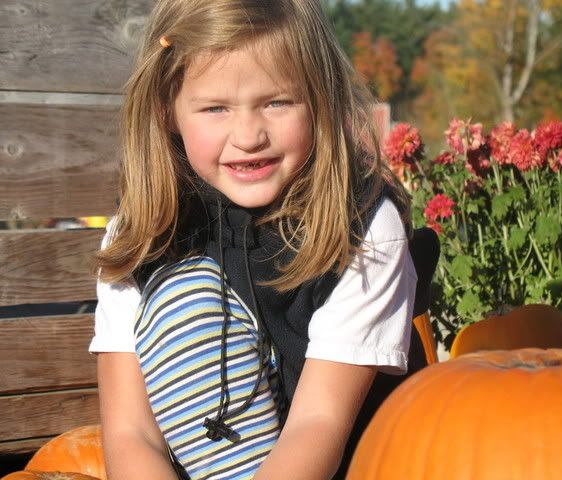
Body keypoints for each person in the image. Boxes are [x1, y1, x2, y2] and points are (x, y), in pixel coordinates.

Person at [89, 0, 419, 478]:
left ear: (320, 97)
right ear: (167, 109)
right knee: (183, 295)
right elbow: (131, 433)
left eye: (276, 102)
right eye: (215, 108)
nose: (248, 136)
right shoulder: (142, 233)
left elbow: (318, 424)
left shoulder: (362, 232)